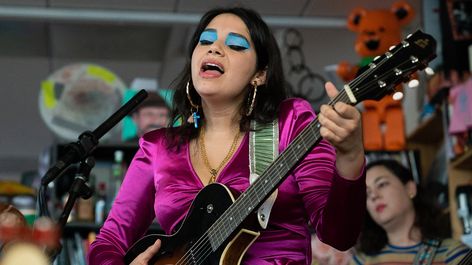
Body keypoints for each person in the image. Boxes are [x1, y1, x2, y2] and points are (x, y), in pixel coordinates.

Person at [88, 6, 366, 265]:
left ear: (260, 74)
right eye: (205, 41)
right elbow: (110, 241)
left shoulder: (291, 121)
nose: (215, 49)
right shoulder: (158, 146)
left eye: (235, 45)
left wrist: (351, 155)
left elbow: (339, 235)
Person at [351, 159, 471, 265]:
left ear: (410, 188)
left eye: (382, 184)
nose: (374, 196)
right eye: (366, 193)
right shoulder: (360, 261)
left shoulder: (453, 255)